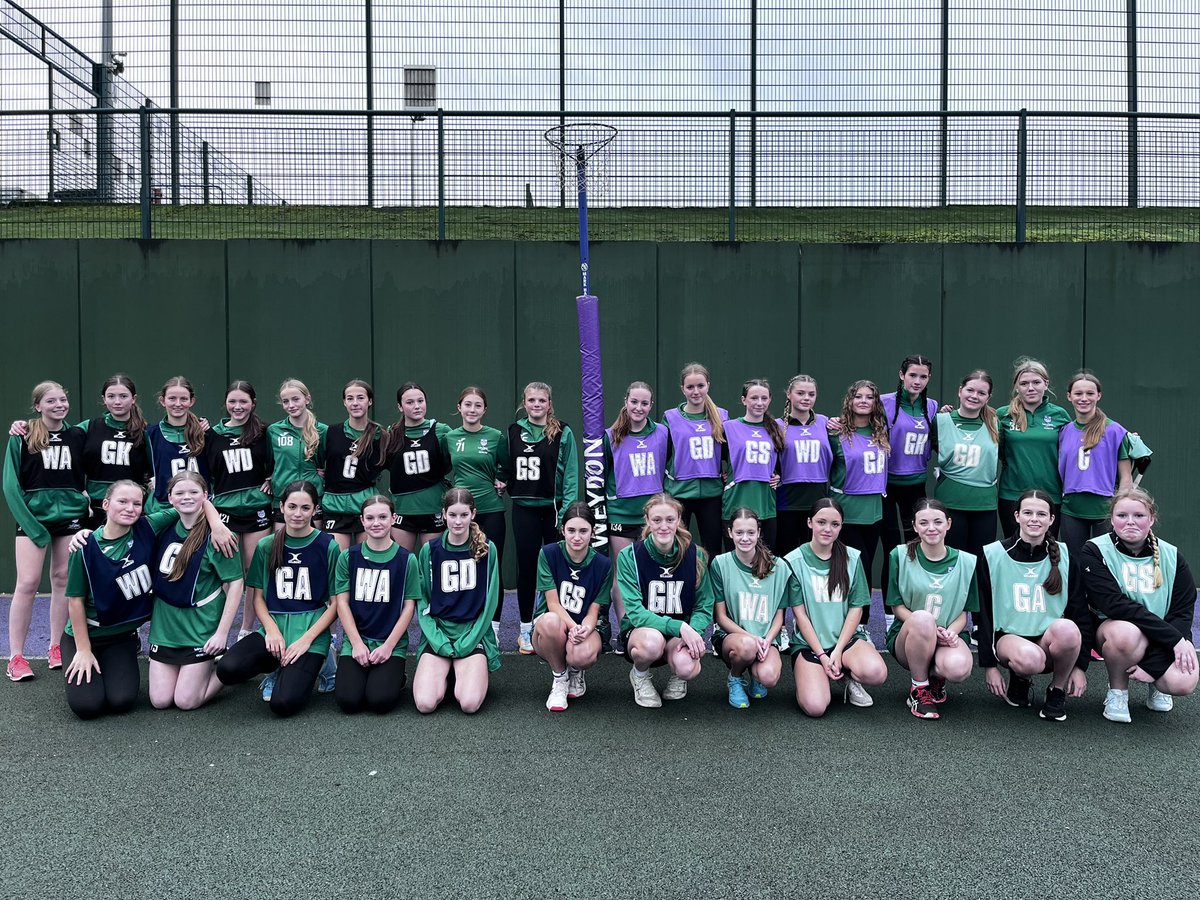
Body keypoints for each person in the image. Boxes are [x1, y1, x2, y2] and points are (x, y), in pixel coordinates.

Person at [62, 480, 230, 719]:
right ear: (106, 504)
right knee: (88, 707)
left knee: (122, 701)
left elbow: (194, 503)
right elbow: (75, 601)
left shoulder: (147, 527)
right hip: (86, 635)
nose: (130, 508)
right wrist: (83, 650)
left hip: (121, 636)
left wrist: (217, 525)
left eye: (137, 503)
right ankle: (84, 660)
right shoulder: (85, 546)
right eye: (122, 502)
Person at [215, 481, 342, 717]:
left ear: (315, 510)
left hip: (310, 631)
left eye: (305, 508)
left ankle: (325, 663)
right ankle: (275, 667)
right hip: (275, 629)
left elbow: (336, 604)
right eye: (292, 506)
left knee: (283, 704)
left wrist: (307, 640)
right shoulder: (266, 545)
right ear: (281, 507)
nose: (298, 514)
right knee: (227, 669)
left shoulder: (328, 545)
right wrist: (271, 631)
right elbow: (258, 598)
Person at [1081, 487, 1197, 723]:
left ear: (1151, 519)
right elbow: (1115, 606)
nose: (1130, 522)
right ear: (1111, 519)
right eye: (1122, 515)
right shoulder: (1094, 550)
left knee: (1184, 681)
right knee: (1126, 633)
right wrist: (1175, 641)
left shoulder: (1172, 555)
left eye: (1139, 516)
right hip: (1116, 631)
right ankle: (1118, 692)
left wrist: (1156, 665)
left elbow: (1182, 612)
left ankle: (1157, 686)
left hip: (1161, 635)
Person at [976, 489, 1091, 721]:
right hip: (1010, 640)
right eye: (1027, 512)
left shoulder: (1066, 555)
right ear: (1016, 516)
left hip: (1049, 642)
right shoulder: (993, 554)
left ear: (1051, 519)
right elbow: (983, 612)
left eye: (1041, 514)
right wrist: (989, 666)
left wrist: (1080, 666)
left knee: (1068, 629)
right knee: (1030, 658)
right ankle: (1020, 679)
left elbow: (1080, 612)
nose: (1034, 519)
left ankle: (1056, 690)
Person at [4, 381, 88, 681]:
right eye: (51, 401)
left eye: (63, 400)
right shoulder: (23, 434)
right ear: (38, 406)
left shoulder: (79, 434)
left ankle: (55, 647)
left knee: (63, 579)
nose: (59, 405)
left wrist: (84, 503)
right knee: (26, 583)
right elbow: (10, 485)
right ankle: (16, 657)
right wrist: (32, 526)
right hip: (34, 521)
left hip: (70, 519)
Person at [147, 472, 245, 711]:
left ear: (205, 495)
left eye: (194, 492)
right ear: (170, 498)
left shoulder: (220, 537)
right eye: (179, 493)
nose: (186, 497)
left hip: (200, 626)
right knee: (160, 701)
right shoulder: (164, 526)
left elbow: (235, 584)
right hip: (165, 626)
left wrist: (222, 633)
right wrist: (84, 534)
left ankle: (228, 671)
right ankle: (196, 669)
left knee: (186, 701)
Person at [785, 498, 888, 716]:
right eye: (821, 522)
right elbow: (800, 616)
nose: (827, 529)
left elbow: (856, 609)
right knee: (815, 707)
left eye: (835, 524)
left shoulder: (852, 557)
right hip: (810, 645)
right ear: (809, 522)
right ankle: (815, 676)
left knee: (876, 672)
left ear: (841, 526)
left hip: (846, 641)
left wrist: (838, 651)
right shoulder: (793, 561)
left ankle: (848, 677)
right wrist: (823, 656)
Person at [616, 493, 714, 708]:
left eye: (670, 520)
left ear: (678, 520)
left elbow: (704, 605)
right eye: (657, 520)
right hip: (642, 633)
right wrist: (680, 627)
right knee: (651, 643)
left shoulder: (695, 555)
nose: (663, 526)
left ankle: (678, 675)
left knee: (687, 667)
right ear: (647, 520)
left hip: (679, 635)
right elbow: (635, 612)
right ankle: (640, 675)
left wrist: (692, 631)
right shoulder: (629, 556)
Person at [884, 498, 978, 720]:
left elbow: (964, 614)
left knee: (959, 669)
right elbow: (897, 606)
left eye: (937, 521)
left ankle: (936, 678)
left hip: (948, 635)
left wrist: (951, 632)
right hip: (909, 637)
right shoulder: (899, 555)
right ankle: (919, 689)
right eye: (924, 523)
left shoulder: (966, 562)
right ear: (915, 527)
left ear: (949, 523)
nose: (931, 528)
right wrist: (927, 626)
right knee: (923, 618)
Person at [411, 488, 501, 714]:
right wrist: (438, 640)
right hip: (439, 634)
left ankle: (462, 673)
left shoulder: (487, 550)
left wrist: (468, 642)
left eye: (463, 515)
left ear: (473, 514)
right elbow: (423, 603)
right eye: (452, 515)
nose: (458, 521)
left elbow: (490, 604)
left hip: (472, 633)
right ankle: (448, 672)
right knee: (425, 704)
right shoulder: (429, 551)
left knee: (469, 704)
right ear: (443, 514)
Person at [508, 381, 579, 655]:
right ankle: (526, 627)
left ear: (550, 404)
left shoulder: (563, 432)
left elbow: (571, 474)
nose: (536, 405)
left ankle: (555, 625)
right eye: (531, 400)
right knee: (526, 569)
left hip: (554, 510)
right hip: (524, 508)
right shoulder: (514, 431)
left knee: (556, 570)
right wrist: (503, 481)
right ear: (524, 403)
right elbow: (505, 465)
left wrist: (567, 514)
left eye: (542, 401)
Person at [333, 495, 420, 715]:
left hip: (390, 643)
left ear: (393, 518)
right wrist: (356, 644)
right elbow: (342, 602)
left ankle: (396, 677)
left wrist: (389, 646)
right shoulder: (348, 557)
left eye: (383, 517)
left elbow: (409, 607)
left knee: (379, 701)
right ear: (362, 521)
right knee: (348, 701)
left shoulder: (407, 559)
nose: (376, 523)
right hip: (357, 640)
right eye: (370, 518)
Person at [203, 380, 274, 633]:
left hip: (257, 510)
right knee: (227, 572)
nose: (237, 406)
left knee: (253, 571)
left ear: (253, 403)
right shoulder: (210, 435)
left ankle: (246, 629)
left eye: (243, 401)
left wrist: (272, 478)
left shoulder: (265, 433)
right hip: (225, 511)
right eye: (232, 401)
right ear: (225, 404)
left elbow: (282, 463)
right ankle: (220, 631)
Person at [531, 501, 612, 711]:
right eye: (572, 530)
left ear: (593, 532)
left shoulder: (603, 564)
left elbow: (594, 611)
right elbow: (553, 603)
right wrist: (572, 626)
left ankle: (575, 669)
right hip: (553, 629)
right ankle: (560, 678)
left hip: (583, 627)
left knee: (582, 655)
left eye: (583, 531)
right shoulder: (548, 554)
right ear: (562, 530)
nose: (577, 537)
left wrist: (584, 629)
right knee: (549, 620)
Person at [446, 386, 510, 643]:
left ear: (484, 410)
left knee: (492, 569)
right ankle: (464, 622)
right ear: (459, 407)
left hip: (491, 509)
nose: (472, 410)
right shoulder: (449, 437)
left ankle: (493, 627)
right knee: (461, 569)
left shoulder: (495, 436)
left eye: (478, 405)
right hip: (461, 513)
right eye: (468, 405)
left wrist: (502, 480)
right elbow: (441, 465)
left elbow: (507, 466)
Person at [710, 508, 789, 709]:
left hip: (766, 638)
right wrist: (753, 640)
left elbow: (779, 617)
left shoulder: (778, 567)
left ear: (759, 533)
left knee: (769, 677)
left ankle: (756, 675)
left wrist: (767, 640)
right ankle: (735, 678)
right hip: (735, 638)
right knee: (746, 647)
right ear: (730, 532)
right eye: (739, 533)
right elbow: (720, 616)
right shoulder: (720, 563)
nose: (745, 538)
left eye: (751, 533)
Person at [604, 381, 668, 628]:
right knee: (623, 574)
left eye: (644, 403)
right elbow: (603, 475)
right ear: (626, 402)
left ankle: (649, 625)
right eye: (634, 402)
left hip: (650, 516)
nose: (638, 408)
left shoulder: (662, 432)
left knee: (649, 572)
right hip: (620, 514)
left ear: (651, 405)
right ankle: (625, 628)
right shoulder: (610, 436)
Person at [1057, 370, 1138, 558]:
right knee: (1075, 563)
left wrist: (1122, 509)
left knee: (1106, 562)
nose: (1084, 398)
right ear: (1069, 396)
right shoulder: (1064, 431)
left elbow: (1126, 477)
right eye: (1078, 393)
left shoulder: (1114, 431)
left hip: (1105, 509)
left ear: (1098, 396)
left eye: (1090, 393)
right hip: (1072, 508)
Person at [829, 380, 890, 622]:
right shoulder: (835, 433)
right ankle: (852, 622)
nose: (863, 401)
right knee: (856, 569)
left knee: (864, 567)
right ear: (849, 401)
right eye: (858, 396)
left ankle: (859, 624)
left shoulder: (882, 431)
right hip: (847, 511)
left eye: (869, 397)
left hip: (874, 510)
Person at [879, 355, 937, 599]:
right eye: (912, 375)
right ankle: (890, 613)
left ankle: (917, 604)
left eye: (923, 377)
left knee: (918, 548)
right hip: (885, 486)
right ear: (902, 375)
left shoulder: (931, 406)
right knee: (892, 549)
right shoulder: (883, 403)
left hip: (916, 486)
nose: (917, 381)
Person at [996, 359, 1071, 538]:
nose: (1030, 388)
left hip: (1050, 494)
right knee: (1013, 548)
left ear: (1046, 384)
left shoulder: (1059, 415)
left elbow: (1075, 449)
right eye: (1024, 383)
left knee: (1046, 548)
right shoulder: (1002, 415)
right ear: (1016, 387)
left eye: (1036, 382)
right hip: (1012, 493)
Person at [662, 362, 727, 560]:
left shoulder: (722, 416)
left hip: (712, 493)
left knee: (713, 549)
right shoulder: (670, 417)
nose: (696, 391)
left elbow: (730, 453)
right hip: (679, 492)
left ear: (708, 385)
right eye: (690, 387)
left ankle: (710, 590)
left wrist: (727, 473)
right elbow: (662, 455)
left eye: (700, 385)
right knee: (678, 548)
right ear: (682, 389)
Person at [935, 370, 1000, 562]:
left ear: (988, 397)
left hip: (985, 505)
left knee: (979, 563)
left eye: (981, 393)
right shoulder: (940, 421)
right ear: (960, 391)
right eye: (970, 390)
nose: (974, 396)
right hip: (950, 502)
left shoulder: (996, 425)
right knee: (952, 562)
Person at [384, 382, 452, 550]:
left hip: (433, 507)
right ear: (400, 406)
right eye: (410, 402)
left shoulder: (441, 430)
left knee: (431, 565)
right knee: (402, 565)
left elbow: (459, 459)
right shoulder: (391, 433)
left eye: (420, 401)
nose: (417, 406)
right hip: (403, 510)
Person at [321, 379, 387, 551]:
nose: (355, 403)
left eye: (360, 398)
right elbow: (316, 463)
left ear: (370, 401)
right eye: (350, 398)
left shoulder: (380, 435)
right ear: (344, 402)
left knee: (366, 561)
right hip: (334, 507)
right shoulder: (331, 432)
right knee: (335, 561)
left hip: (365, 507)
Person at [78, 374, 152, 525]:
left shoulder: (147, 431)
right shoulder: (89, 427)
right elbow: (59, 434)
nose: (117, 401)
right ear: (104, 399)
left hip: (131, 508)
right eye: (111, 396)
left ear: (134, 399)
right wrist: (26, 427)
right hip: (96, 507)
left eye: (123, 396)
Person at [721, 379, 784, 551]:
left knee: (766, 560)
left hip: (766, 504)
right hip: (736, 500)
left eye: (764, 398)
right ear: (744, 400)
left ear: (770, 399)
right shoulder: (729, 427)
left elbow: (782, 463)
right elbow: (715, 459)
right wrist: (723, 474)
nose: (759, 403)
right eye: (754, 398)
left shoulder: (778, 428)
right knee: (735, 560)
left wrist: (779, 476)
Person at [775, 374, 831, 556]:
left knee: (814, 553)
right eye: (800, 393)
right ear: (789, 394)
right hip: (787, 499)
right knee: (787, 553)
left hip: (818, 497)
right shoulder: (776, 426)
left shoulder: (825, 422)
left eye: (811, 394)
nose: (806, 398)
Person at [145, 376, 210, 514]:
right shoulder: (150, 434)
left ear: (192, 401)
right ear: (163, 400)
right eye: (172, 398)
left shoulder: (204, 432)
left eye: (184, 399)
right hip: (163, 508)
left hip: (200, 508)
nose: (178, 403)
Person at [268, 378, 328, 526]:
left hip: (313, 496)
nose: (291, 405)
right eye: (285, 401)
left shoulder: (322, 430)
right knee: (281, 547)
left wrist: (321, 476)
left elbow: (327, 461)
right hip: (283, 497)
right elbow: (268, 462)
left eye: (295, 399)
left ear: (307, 399)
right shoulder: (274, 431)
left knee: (314, 546)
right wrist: (270, 478)